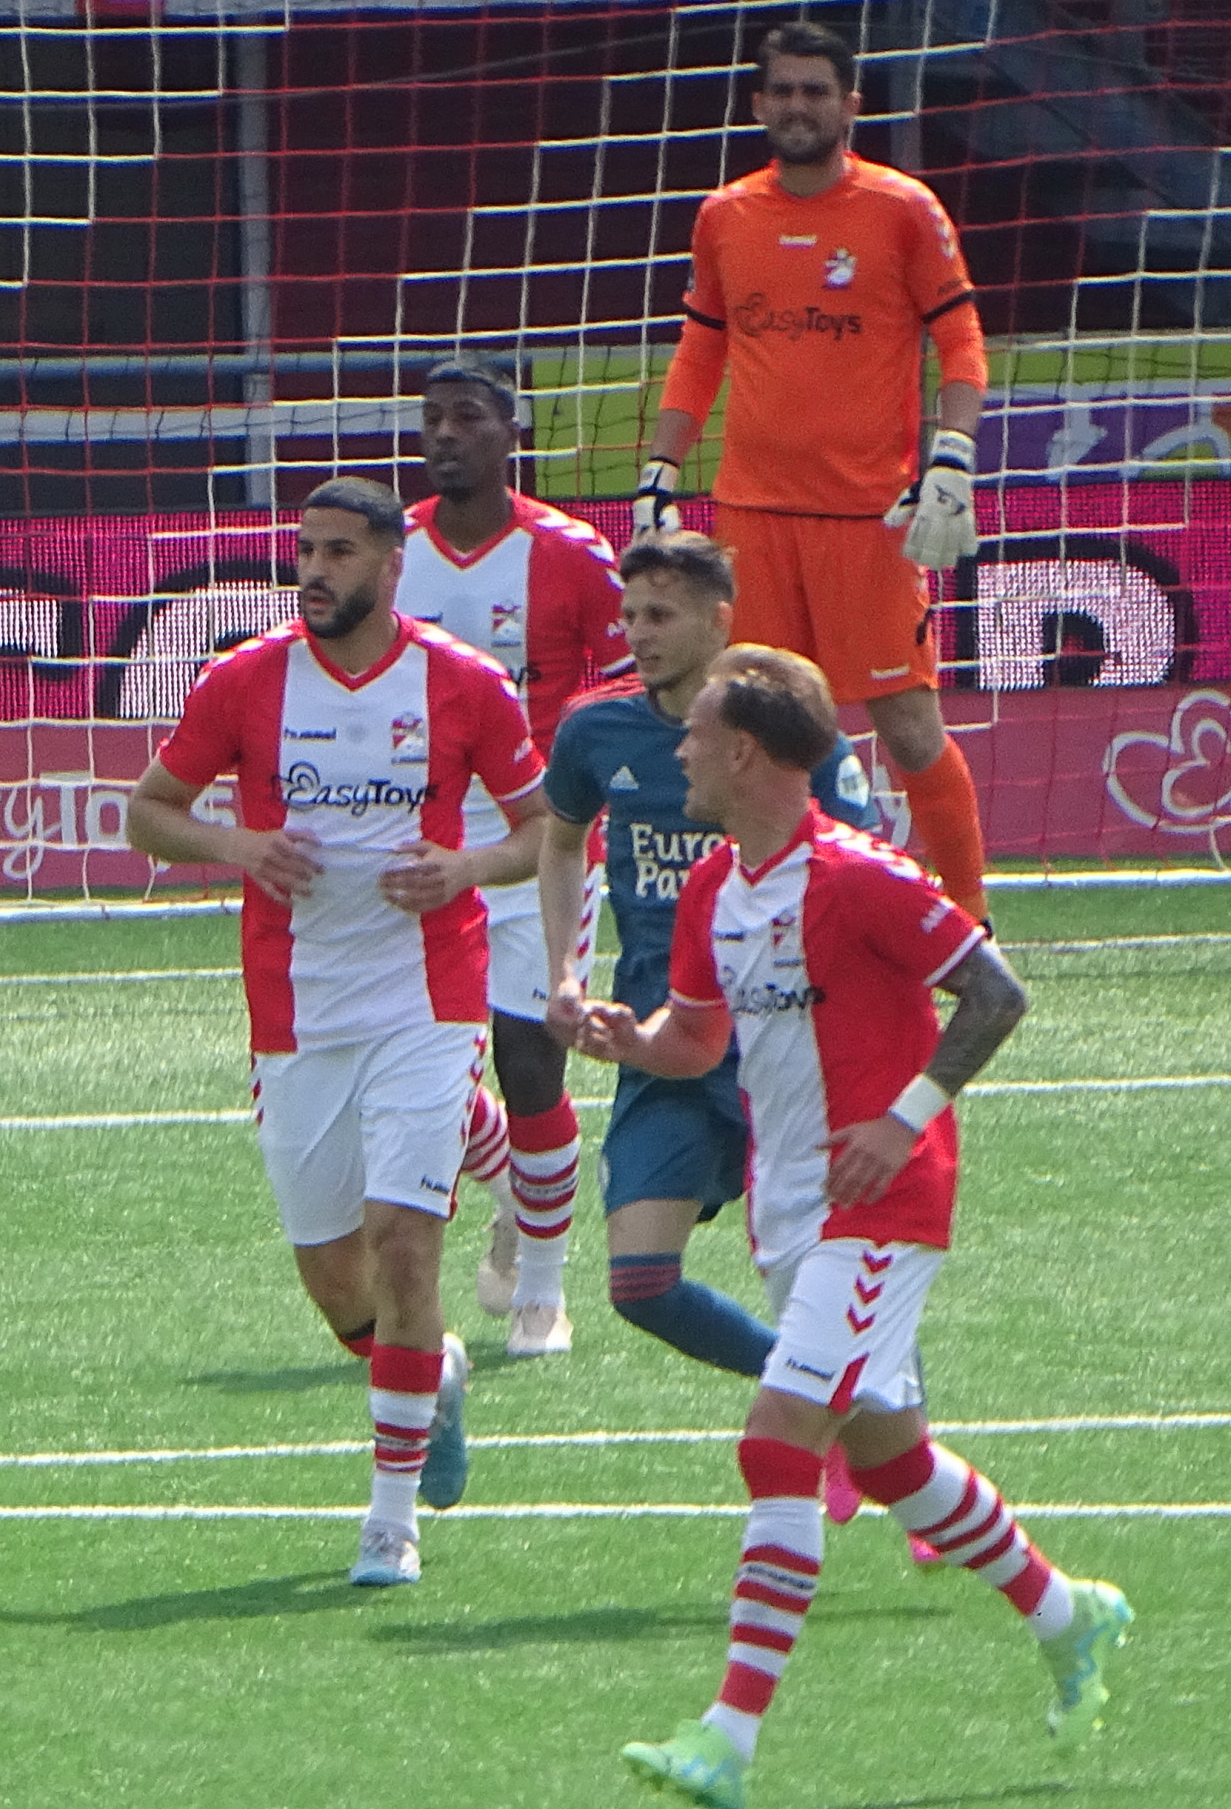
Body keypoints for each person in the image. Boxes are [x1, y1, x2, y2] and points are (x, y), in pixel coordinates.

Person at [567, 648, 1126, 1809]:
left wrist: (906, 1115)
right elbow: (698, 1043)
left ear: (748, 754)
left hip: (881, 1202)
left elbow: (997, 995)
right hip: (791, 1210)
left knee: (778, 1442)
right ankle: (1070, 1615)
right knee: (887, 1461)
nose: (678, 750)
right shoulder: (717, 890)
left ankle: (726, 1740)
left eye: (698, 734)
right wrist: (624, 1039)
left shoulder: (860, 875)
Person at [123, 477, 548, 1591]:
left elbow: (546, 832)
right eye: (306, 551)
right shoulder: (246, 680)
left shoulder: (463, 685)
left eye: (339, 553)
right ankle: (434, 1364)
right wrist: (236, 846)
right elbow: (148, 811)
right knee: (335, 1279)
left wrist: (464, 867)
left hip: (428, 994)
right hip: (297, 1007)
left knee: (406, 1243)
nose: (314, 571)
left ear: (390, 566)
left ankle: (389, 1522)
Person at [539, 538, 875, 1522]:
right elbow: (561, 842)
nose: (639, 634)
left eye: (662, 615)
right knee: (640, 1282)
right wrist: (563, 968)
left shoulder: (785, 731)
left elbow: (860, 871)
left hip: (788, 1047)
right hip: (666, 1041)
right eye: (631, 615)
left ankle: (883, 1439)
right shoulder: (596, 733)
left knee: (831, 1266)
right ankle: (829, 1397)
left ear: (720, 620)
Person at [636, 19, 996, 926]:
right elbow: (699, 349)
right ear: (758, 104)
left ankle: (966, 920)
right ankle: (769, 909)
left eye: (816, 91)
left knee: (910, 728)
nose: (799, 106)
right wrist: (659, 470)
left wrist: (951, 457)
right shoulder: (725, 215)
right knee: (753, 729)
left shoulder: (903, 209)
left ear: (850, 106)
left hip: (866, 522)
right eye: (783, 91)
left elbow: (959, 338)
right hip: (752, 520)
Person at [397, 356, 633, 1355]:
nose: (445, 434)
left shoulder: (571, 554)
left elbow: (628, 686)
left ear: (510, 430)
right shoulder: (388, 547)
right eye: (431, 420)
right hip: (410, 848)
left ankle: (541, 1290)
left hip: (536, 841)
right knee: (418, 1068)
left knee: (531, 1060)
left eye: (466, 418)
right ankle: (511, 1191)